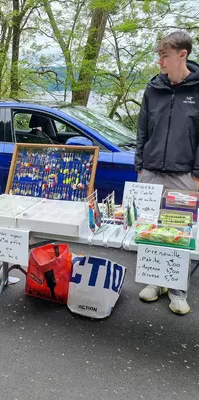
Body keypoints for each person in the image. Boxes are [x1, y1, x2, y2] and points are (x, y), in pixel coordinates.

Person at [135, 30, 199, 315]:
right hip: (150, 172)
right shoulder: (153, 89)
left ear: (182, 55)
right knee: (149, 230)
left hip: (183, 175)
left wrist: (197, 173)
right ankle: (154, 282)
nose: (160, 61)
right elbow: (141, 130)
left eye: (165, 55)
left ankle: (177, 290)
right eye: (158, 55)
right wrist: (139, 165)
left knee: (178, 232)